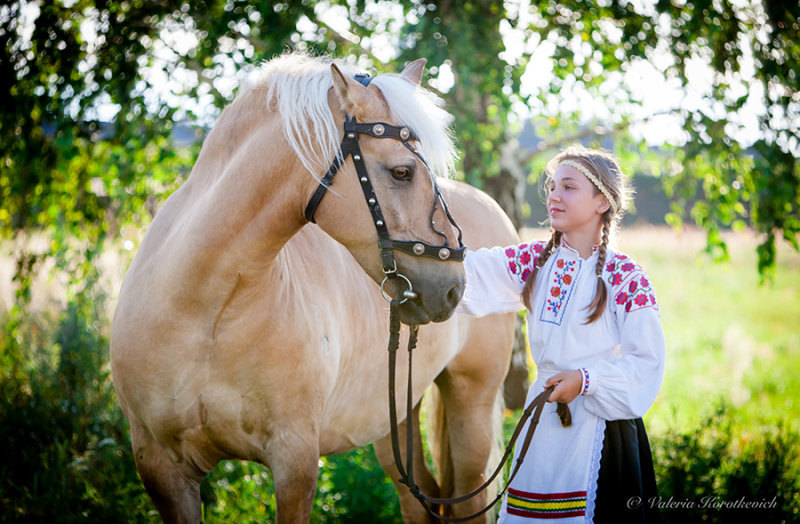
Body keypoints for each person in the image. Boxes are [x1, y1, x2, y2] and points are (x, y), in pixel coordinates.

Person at [459, 145, 665, 522]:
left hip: (603, 439)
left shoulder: (626, 278)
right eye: (552, 186)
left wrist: (586, 380)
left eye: (568, 187)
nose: (554, 195)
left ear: (602, 201)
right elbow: (464, 274)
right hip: (543, 431)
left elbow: (646, 366)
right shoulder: (532, 262)